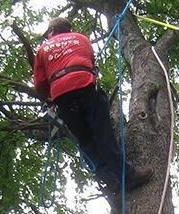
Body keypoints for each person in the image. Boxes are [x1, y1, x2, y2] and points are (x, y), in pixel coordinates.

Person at [33, 17, 152, 195]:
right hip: (85, 87)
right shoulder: (82, 38)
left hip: (62, 97)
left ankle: (110, 181)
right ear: (69, 28)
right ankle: (127, 176)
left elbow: (40, 84)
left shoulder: (42, 49)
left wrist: (51, 94)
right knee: (103, 135)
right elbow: (90, 61)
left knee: (86, 142)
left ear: (51, 32)